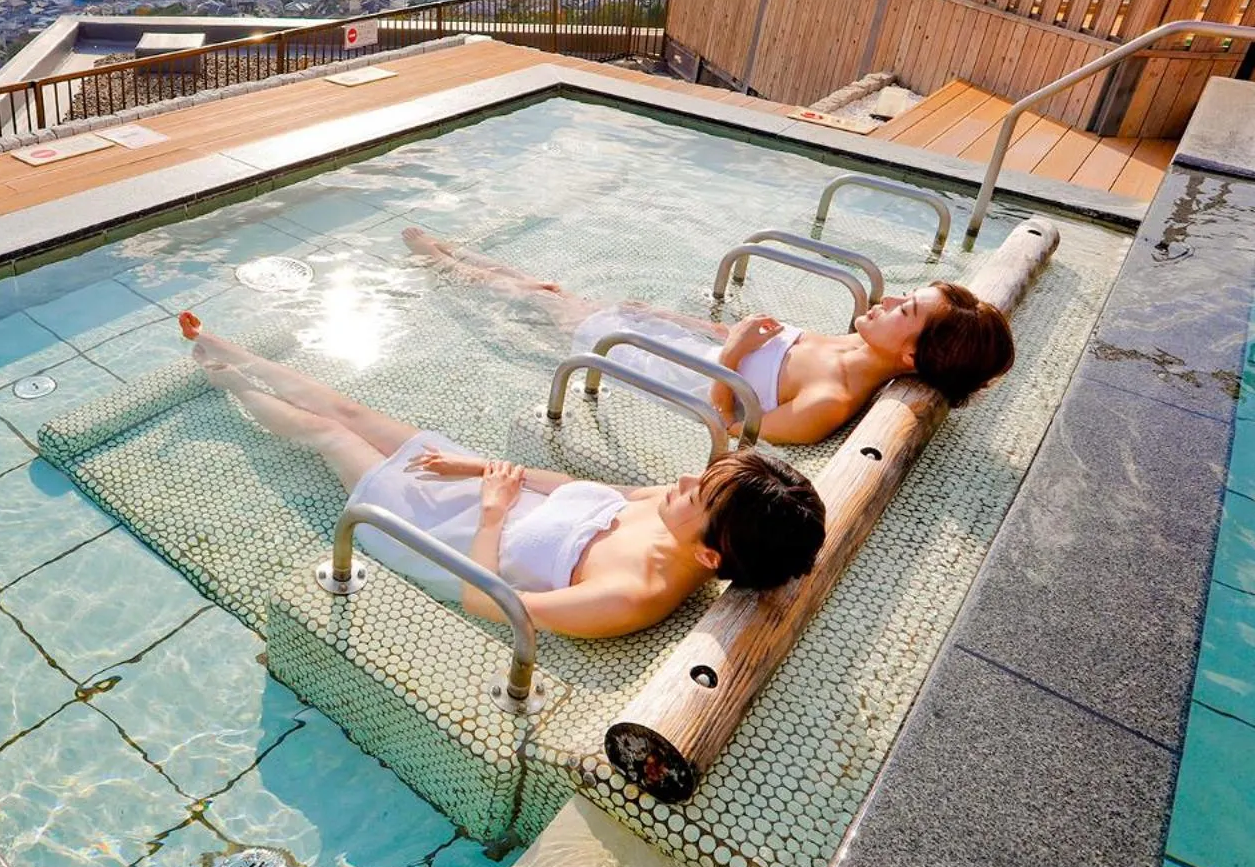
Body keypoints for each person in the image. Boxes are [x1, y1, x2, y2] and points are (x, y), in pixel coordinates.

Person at [180, 312, 824, 640]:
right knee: (351, 410)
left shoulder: (632, 592)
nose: (684, 479)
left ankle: (227, 382)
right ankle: (224, 345)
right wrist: (476, 468)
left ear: (710, 555)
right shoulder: (670, 512)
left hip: (449, 538)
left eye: (698, 492)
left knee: (328, 433)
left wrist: (490, 509)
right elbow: (565, 488)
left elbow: (486, 603)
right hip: (490, 487)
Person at [401, 227, 1014, 445]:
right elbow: (745, 335)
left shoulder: (830, 401)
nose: (887, 299)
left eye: (905, 308)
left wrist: (730, 355)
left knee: (541, 301)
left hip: (659, 371)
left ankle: (449, 267)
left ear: (908, 354)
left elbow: (725, 429)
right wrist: (673, 319)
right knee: (553, 293)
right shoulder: (851, 347)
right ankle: (453, 258)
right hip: (673, 343)